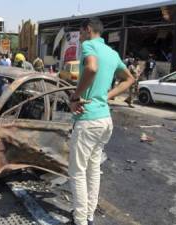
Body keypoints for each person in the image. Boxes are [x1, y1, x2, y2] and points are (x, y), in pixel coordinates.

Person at [68, 18, 134, 225]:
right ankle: (88, 216)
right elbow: (130, 79)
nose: (79, 38)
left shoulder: (89, 45)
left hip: (88, 120)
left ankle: (80, 220)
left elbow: (92, 68)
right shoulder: (112, 53)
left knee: (77, 171)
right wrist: (107, 95)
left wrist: (75, 96)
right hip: (105, 120)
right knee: (93, 168)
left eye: (80, 33)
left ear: (88, 30)